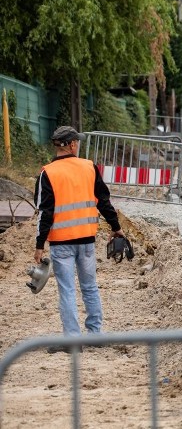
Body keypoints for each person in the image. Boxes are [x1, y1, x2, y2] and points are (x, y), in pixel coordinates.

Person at [34, 126, 124, 352]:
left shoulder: (48, 173)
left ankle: (73, 342)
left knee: (67, 290)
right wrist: (116, 228)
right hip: (86, 240)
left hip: (61, 242)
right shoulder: (89, 167)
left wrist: (39, 245)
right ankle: (95, 335)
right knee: (90, 287)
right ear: (72, 144)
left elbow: (45, 213)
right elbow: (104, 202)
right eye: (78, 142)